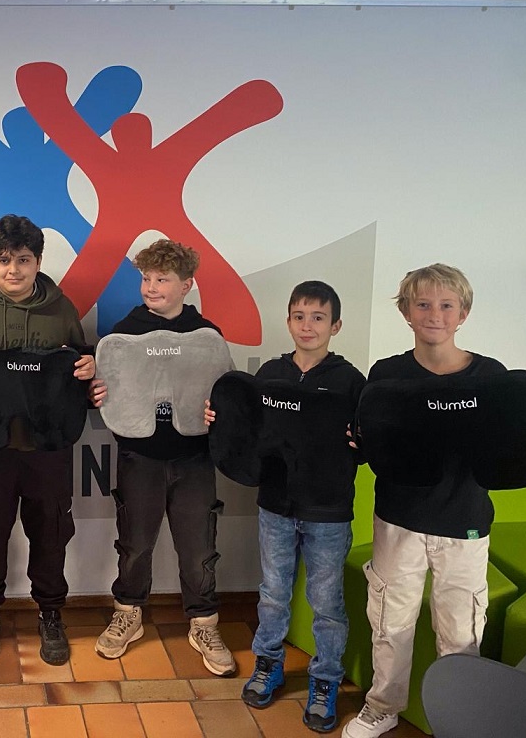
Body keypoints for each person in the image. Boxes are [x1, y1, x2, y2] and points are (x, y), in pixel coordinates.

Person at [343, 264, 503, 738]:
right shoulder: (387, 374)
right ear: (407, 313)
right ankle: (382, 706)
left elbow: (505, 452)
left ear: (463, 314)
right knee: (390, 621)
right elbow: (370, 443)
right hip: (399, 519)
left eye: (446, 305)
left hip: (464, 522)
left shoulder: (490, 377)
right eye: (423, 304)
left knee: (460, 630)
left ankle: (460, 718)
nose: (435, 314)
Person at [0, 214, 100, 666]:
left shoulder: (62, 309)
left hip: (48, 448)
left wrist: (88, 366)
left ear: (38, 262)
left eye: (23, 260)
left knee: (50, 532)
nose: (13, 270)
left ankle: (50, 613)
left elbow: (79, 360)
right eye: (4, 260)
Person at [207, 281, 365, 732]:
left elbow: (366, 444)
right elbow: (248, 431)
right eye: (299, 316)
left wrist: (366, 441)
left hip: (328, 512)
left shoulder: (351, 381)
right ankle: (268, 664)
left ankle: (325, 680)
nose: (307, 326)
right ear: (288, 321)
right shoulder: (271, 374)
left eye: (318, 318)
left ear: (335, 326)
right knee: (273, 594)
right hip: (275, 506)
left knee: (326, 603)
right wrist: (218, 417)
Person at [94, 239, 238, 676]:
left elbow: (227, 396)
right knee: (135, 543)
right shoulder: (124, 333)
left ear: (186, 285)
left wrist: (218, 411)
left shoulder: (206, 336)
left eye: (162, 279)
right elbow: (108, 391)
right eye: (146, 278)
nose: (151, 288)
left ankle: (203, 622)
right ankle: (128, 613)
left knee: (198, 547)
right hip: (139, 455)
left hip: (194, 458)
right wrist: (95, 391)